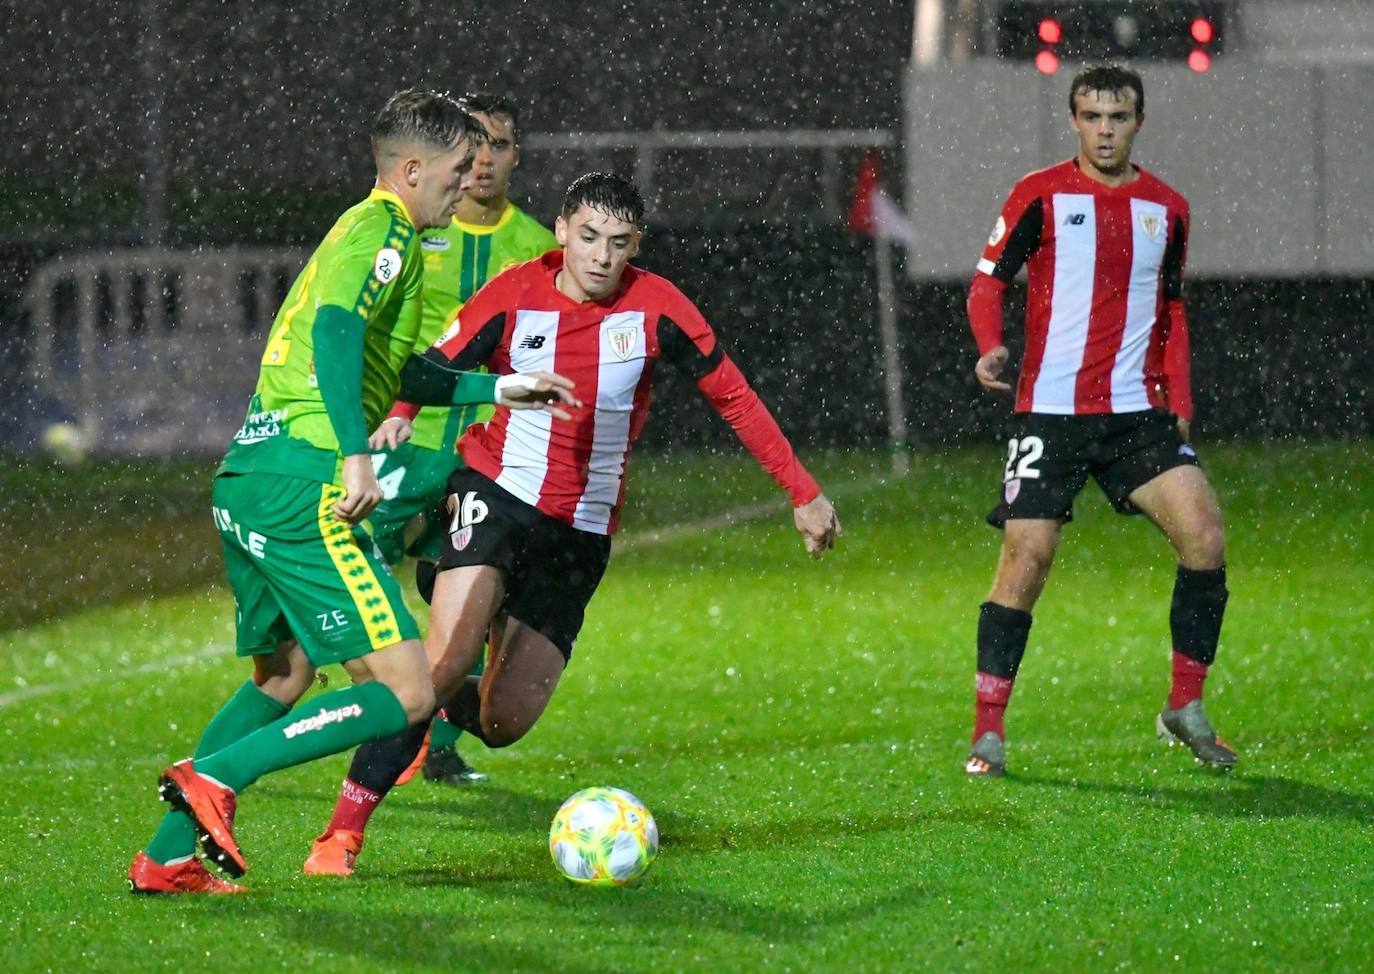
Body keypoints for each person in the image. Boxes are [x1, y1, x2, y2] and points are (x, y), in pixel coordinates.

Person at [302, 171, 841, 877]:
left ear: (635, 246)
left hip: (579, 534)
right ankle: (340, 837)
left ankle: (419, 671)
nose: (600, 256)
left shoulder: (660, 310)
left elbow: (733, 397)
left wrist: (801, 490)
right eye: (588, 237)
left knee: (502, 723)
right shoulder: (514, 294)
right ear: (562, 231)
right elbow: (428, 370)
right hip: (493, 495)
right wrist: (398, 416)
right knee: (437, 670)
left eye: (618, 244)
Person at [127, 88, 576, 895]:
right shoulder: (387, 234)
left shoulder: (367, 232)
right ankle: (217, 780)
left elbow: (389, 368)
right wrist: (355, 458)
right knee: (407, 692)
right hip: (307, 483)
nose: (466, 185)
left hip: (252, 477)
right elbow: (335, 336)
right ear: (411, 170)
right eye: (454, 170)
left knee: (282, 678)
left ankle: (165, 857)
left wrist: (496, 390)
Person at [962, 62, 1234, 778]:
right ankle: (988, 730)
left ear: (1137, 122)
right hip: (1048, 413)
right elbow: (989, 281)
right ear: (1075, 120)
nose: (1105, 130)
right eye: (1092, 116)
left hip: (1136, 415)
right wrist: (990, 343)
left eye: (1118, 118)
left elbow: (1172, 310)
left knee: (1204, 537)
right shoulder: (1039, 195)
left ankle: (1186, 704)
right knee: (1026, 562)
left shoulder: (1167, 208)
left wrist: (1182, 402)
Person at [367, 92, 558, 786]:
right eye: (473, 144)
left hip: (488, 446)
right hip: (402, 437)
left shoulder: (538, 246)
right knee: (354, 565)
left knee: (481, 588)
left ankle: (434, 738)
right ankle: (318, 693)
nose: (483, 159)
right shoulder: (416, 227)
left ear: (515, 157)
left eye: (499, 145)